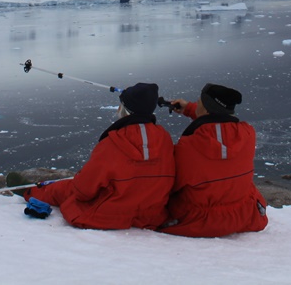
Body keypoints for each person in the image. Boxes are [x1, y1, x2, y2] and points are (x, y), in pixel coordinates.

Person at [26, 82, 175, 230]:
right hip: (151, 215)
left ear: (125, 110)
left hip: (110, 215)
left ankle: (30, 192)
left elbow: (82, 191)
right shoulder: (165, 139)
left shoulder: (112, 143)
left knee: (67, 189)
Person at [160, 83, 268, 238]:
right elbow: (219, 123)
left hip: (200, 220)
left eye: (199, 102)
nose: (196, 104)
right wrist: (190, 109)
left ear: (204, 108)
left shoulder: (189, 145)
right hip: (244, 214)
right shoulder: (248, 133)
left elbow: (173, 184)